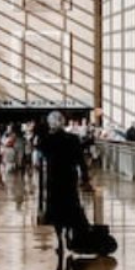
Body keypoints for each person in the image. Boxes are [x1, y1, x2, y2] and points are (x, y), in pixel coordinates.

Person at [38, 111, 91, 260]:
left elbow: (41, 151)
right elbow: (81, 160)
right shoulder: (73, 139)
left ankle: (60, 239)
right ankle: (69, 233)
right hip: (69, 178)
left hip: (54, 179)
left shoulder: (48, 140)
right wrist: (85, 177)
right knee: (70, 206)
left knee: (56, 209)